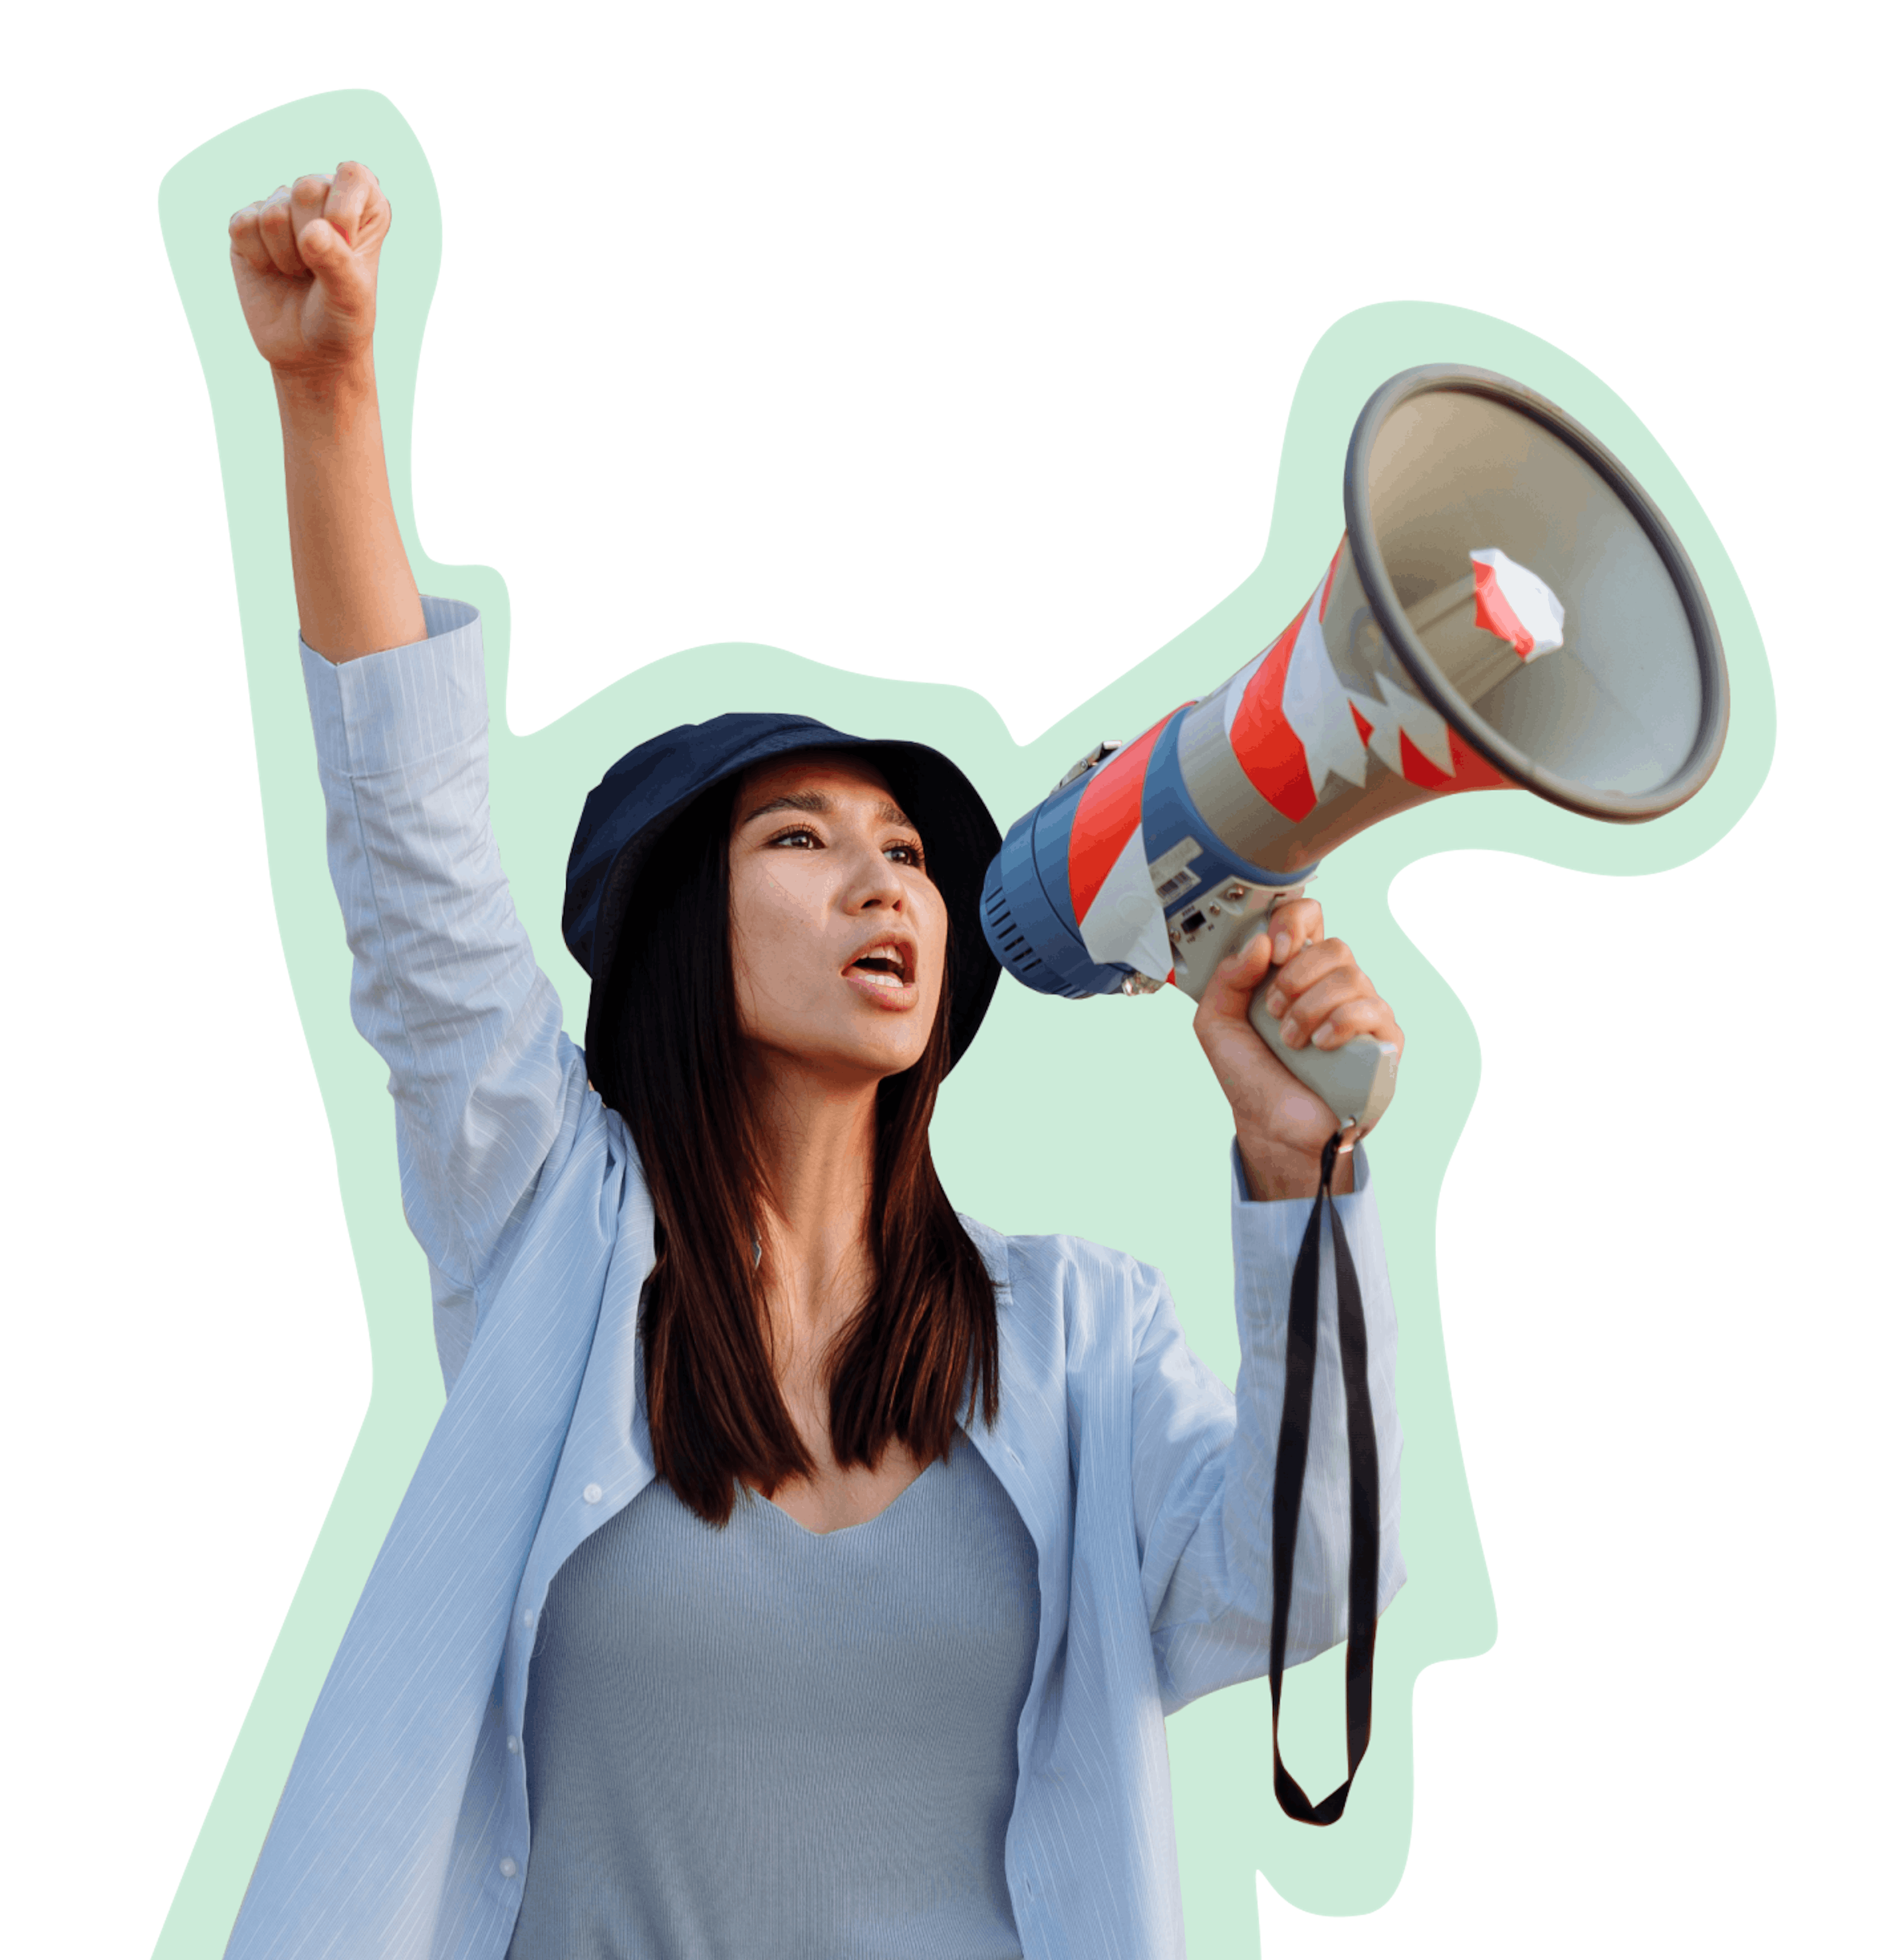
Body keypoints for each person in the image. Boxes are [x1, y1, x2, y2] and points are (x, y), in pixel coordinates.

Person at [220, 162, 1407, 1960]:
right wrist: (329, 396)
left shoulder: (1074, 1336)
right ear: (679, 931)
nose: (883, 878)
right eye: (800, 839)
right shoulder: (553, 1241)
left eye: (914, 854)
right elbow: (415, 860)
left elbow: (1299, 1586)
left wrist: (1301, 1177)